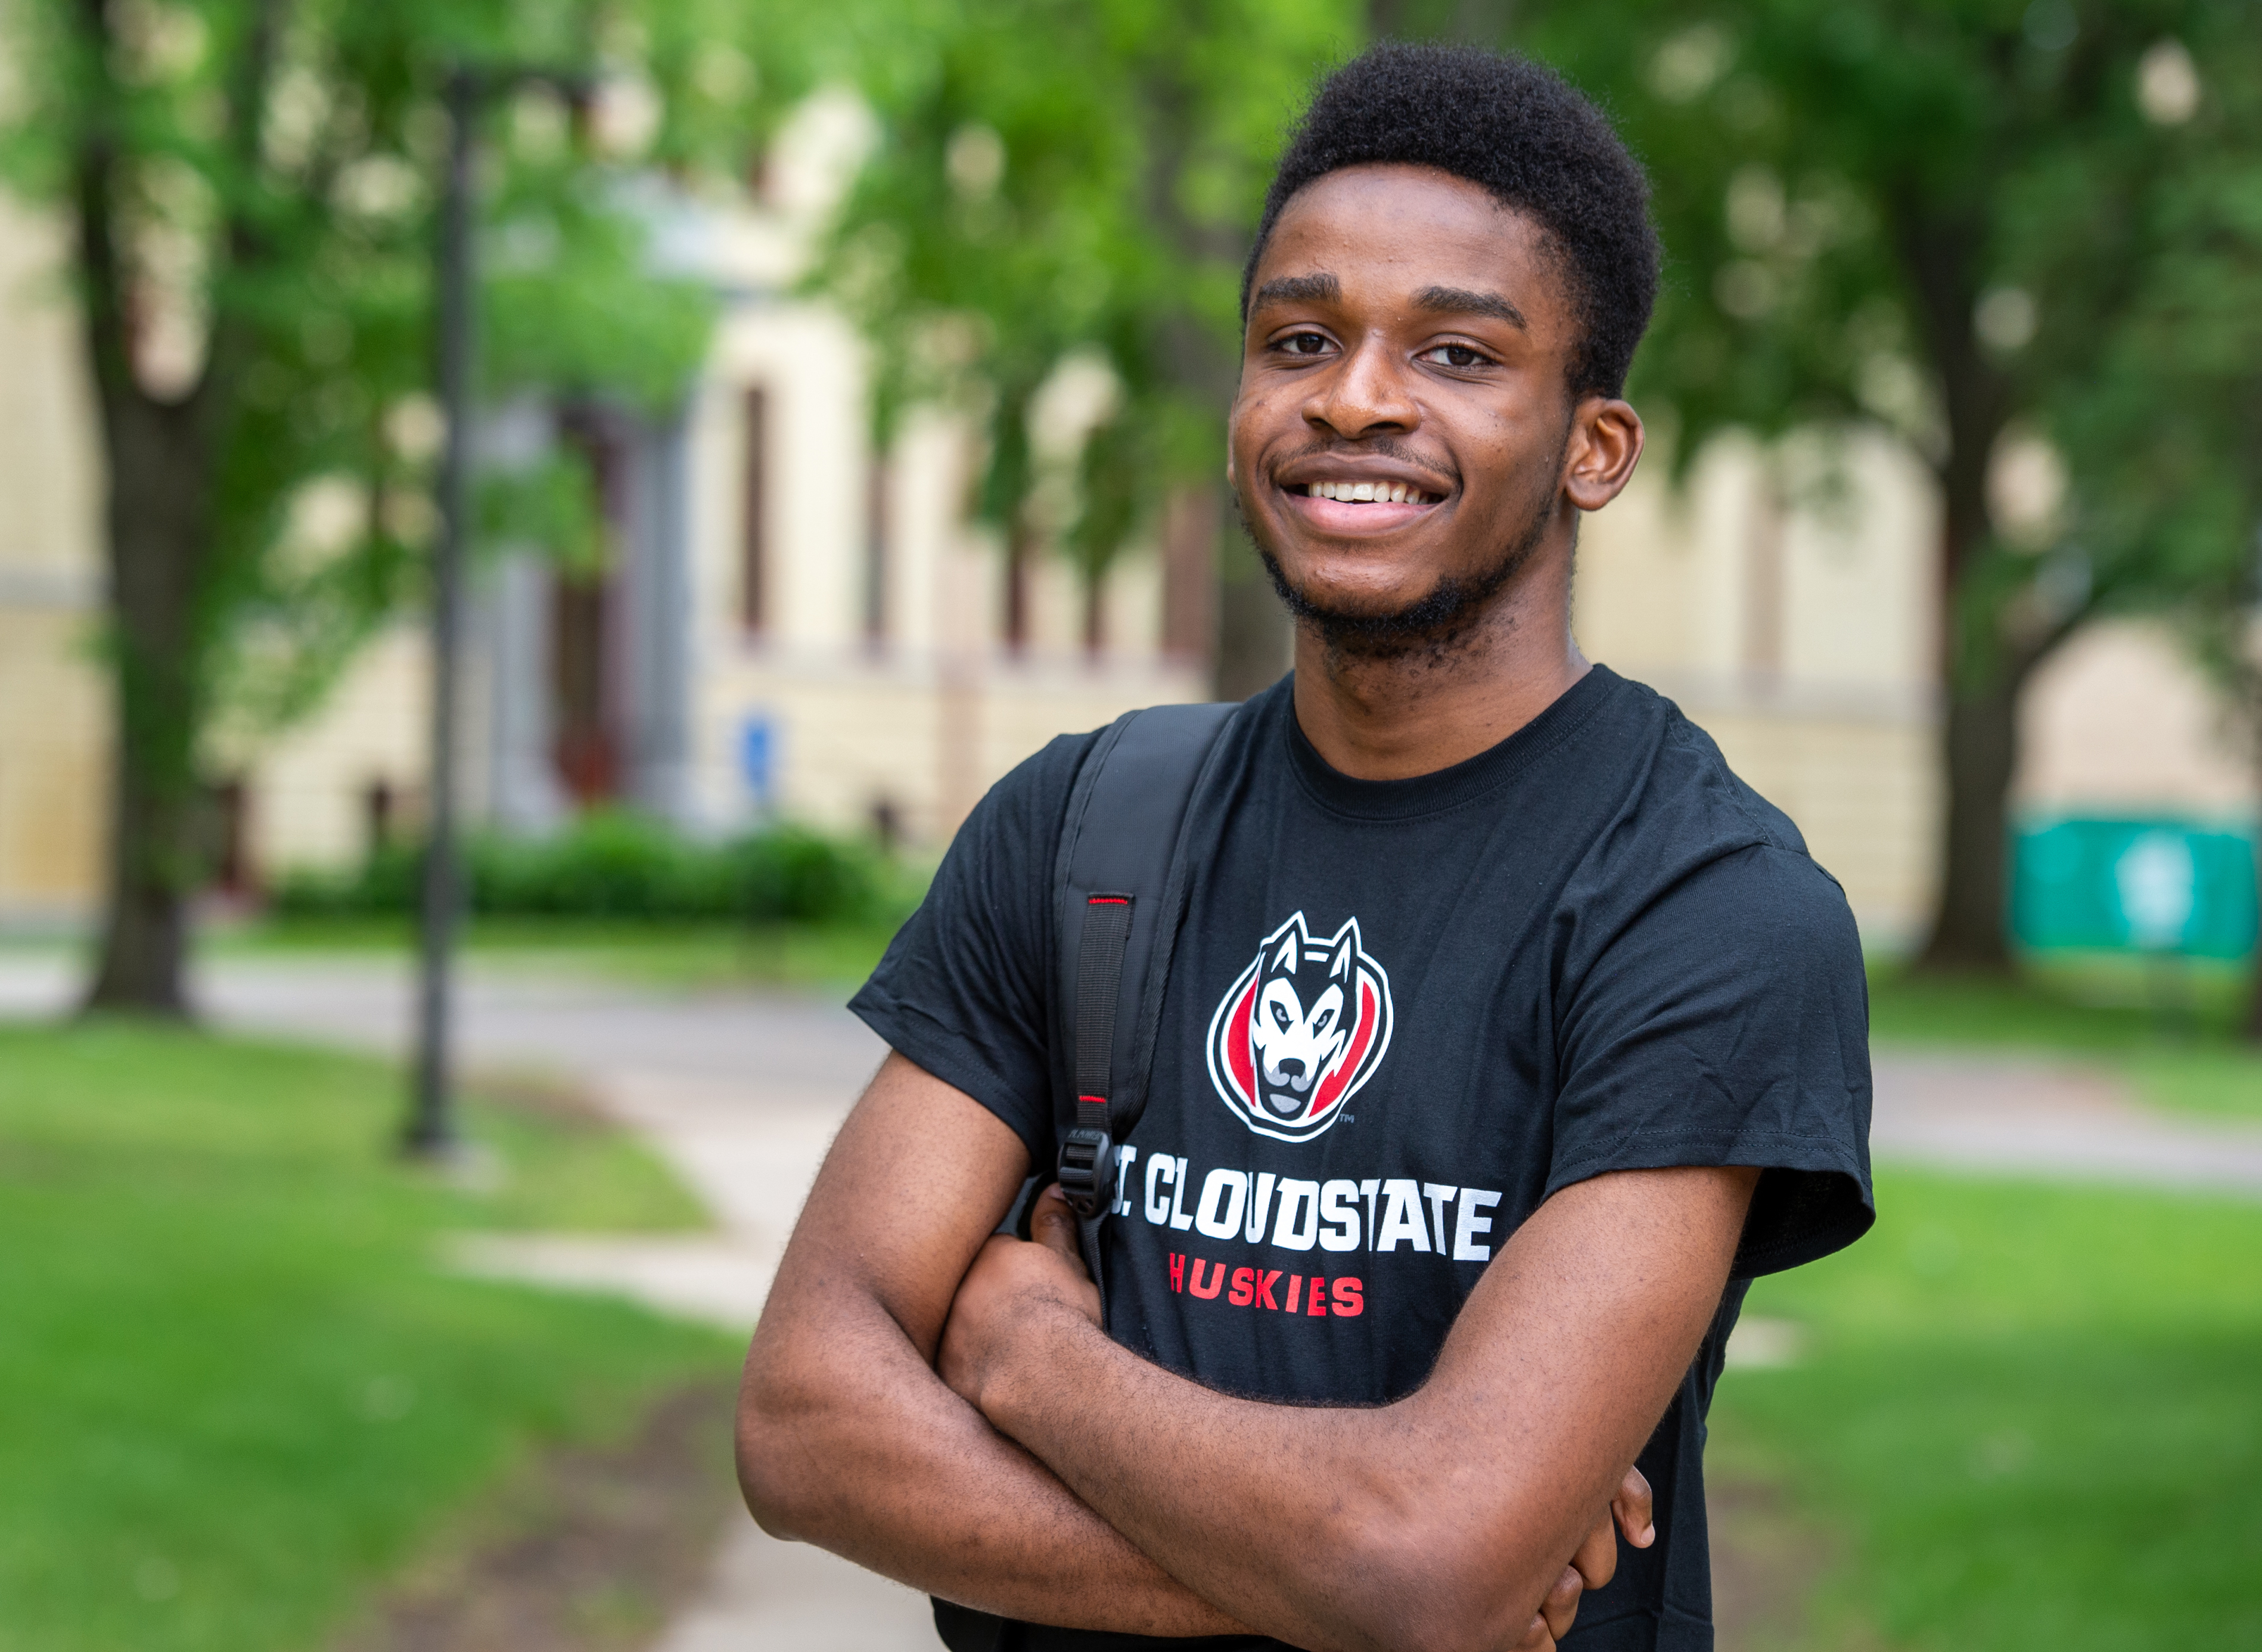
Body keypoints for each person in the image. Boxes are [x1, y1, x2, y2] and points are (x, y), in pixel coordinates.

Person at [736, 43, 1875, 1652]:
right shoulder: (1079, 830)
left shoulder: (1702, 905)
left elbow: (1424, 1556)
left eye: (1461, 353)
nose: (1356, 396)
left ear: (1593, 447)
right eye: (1300, 338)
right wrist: (1355, 1564)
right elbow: (802, 1420)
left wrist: (1022, 1355)